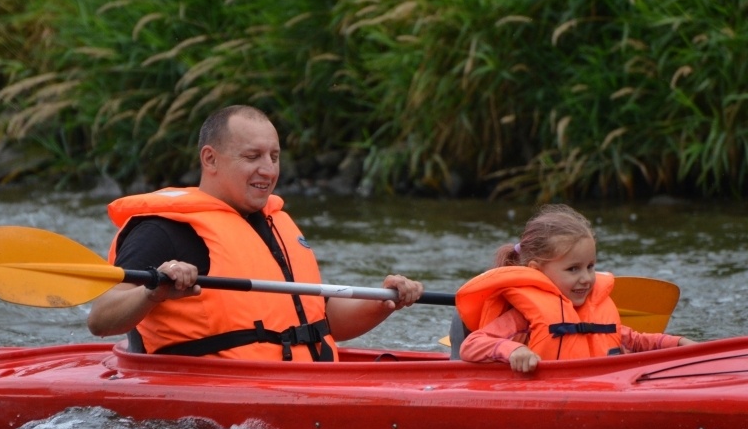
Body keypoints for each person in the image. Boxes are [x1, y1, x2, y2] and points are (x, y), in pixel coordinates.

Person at [86, 104, 424, 361]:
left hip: (305, 381)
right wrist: (153, 291)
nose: (268, 169)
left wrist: (386, 301)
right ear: (211, 159)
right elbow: (102, 319)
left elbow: (325, 321)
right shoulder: (165, 228)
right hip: (212, 405)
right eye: (253, 157)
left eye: (274, 156)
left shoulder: (276, 224)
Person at [455, 204, 695, 372]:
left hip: (597, 385)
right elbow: (472, 345)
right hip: (546, 392)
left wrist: (677, 343)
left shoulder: (593, 310)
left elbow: (635, 341)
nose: (586, 279)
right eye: (573, 269)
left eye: (590, 267)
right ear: (537, 271)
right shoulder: (522, 316)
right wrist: (513, 350)